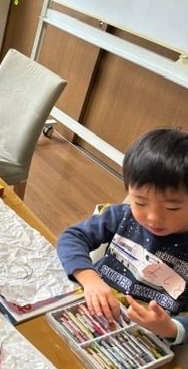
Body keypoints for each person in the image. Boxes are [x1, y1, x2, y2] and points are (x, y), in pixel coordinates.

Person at [57, 128, 188, 349]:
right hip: (90, 309)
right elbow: (71, 237)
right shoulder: (122, 215)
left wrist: (172, 328)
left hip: (147, 340)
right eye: (141, 202)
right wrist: (90, 280)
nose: (153, 217)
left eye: (172, 208)